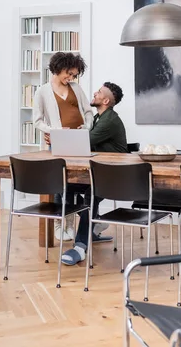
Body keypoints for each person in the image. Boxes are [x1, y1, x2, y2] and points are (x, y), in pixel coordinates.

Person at [61, 81, 128, 266]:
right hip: (98, 171)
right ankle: (91, 226)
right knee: (63, 187)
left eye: (98, 92)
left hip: (114, 176)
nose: (95, 94)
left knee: (90, 197)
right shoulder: (100, 118)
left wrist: (62, 135)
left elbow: (86, 141)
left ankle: (80, 247)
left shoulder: (109, 120)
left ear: (105, 100)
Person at [33, 51, 93, 241]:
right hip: (59, 143)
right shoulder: (42, 91)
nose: (71, 77)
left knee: (75, 182)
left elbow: (89, 112)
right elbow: (37, 121)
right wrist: (53, 131)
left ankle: (69, 224)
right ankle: (59, 222)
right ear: (58, 69)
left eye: (74, 75)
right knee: (61, 183)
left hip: (79, 141)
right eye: (69, 73)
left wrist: (87, 126)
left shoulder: (76, 88)